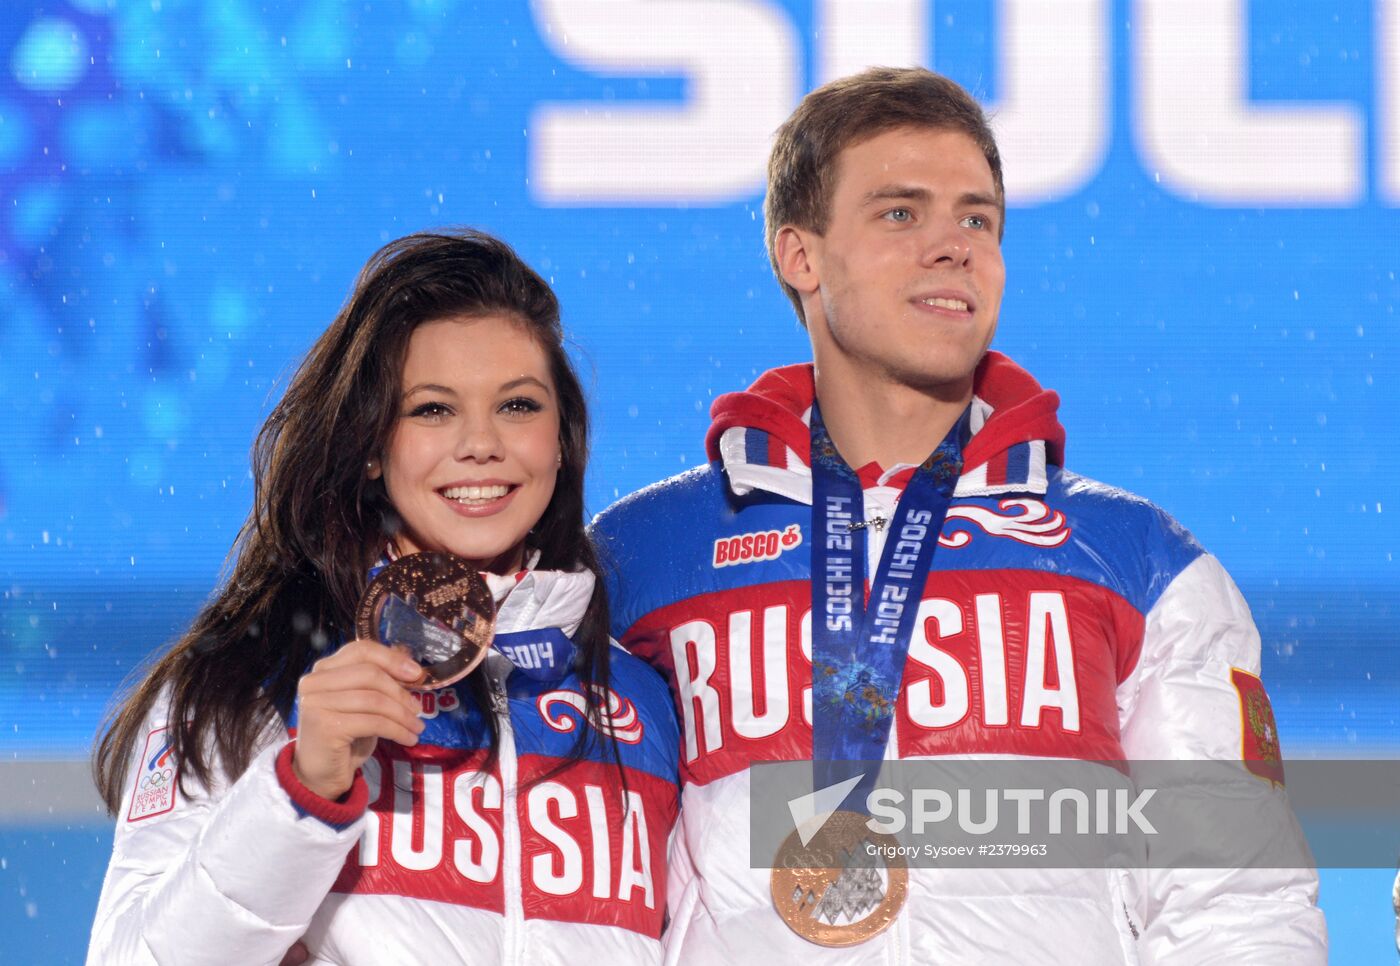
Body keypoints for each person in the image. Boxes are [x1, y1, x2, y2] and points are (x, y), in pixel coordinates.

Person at [591, 67, 1327, 963]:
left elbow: (1237, 905)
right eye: (901, 213)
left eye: (977, 219)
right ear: (802, 255)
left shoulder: (1136, 560)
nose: (953, 246)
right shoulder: (641, 561)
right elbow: (573, 902)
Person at [89, 230, 679, 965]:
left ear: (561, 440)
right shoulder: (249, 682)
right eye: (433, 410)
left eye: (519, 406)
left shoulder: (642, 700)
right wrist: (299, 792)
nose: (481, 444)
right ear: (371, 446)